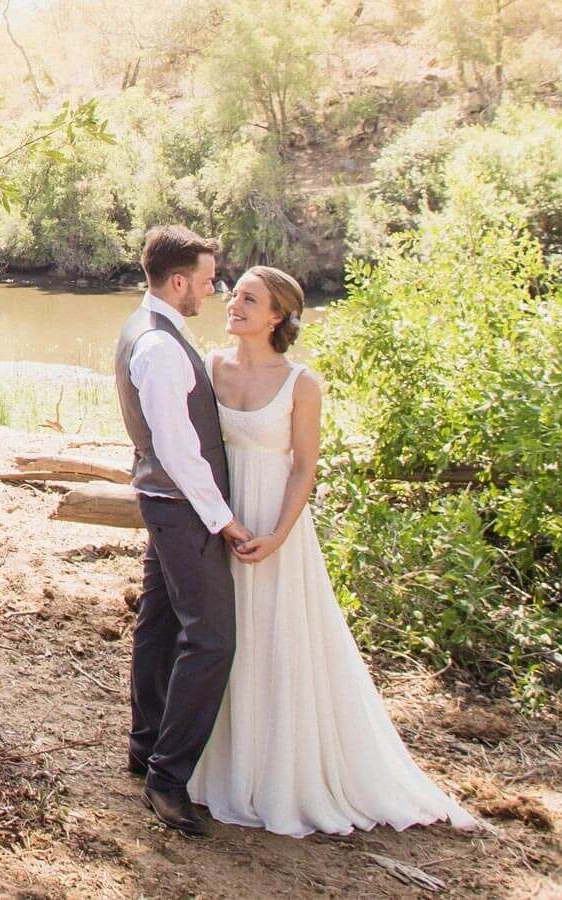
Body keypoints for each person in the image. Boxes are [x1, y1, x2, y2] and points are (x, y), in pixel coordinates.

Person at [186, 265, 481, 837]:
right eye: (234, 295)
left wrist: (277, 534)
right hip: (222, 516)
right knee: (221, 638)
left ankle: (279, 774)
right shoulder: (210, 367)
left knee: (276, 638)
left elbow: (304, 468)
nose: (233, 304)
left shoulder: (302, 383)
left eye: (249, 299)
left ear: (277, 316)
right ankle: (212, 763)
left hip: (275, 523)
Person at [113, 225, 250, 837]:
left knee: (161, 623)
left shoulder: (151, 328)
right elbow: (176, 447)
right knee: (212, 638)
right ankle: (168, 779)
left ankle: (146, 749)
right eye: (205, 279)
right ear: (177, 281)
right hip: (182, 506)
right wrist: (222, 519)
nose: (212, 288)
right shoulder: (160, 346)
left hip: (165, 501)